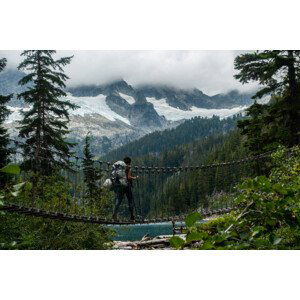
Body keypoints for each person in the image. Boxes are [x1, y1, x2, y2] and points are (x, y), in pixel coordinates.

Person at [112, 157, 138, 221]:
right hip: (127, 186)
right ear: (129, 162)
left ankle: (114, 214)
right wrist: (135, 177)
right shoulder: (128, 167)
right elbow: (129, 177)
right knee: (130, 201)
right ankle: (132, 216)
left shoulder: (120, 168)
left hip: (120, 185)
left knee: (118, 200)